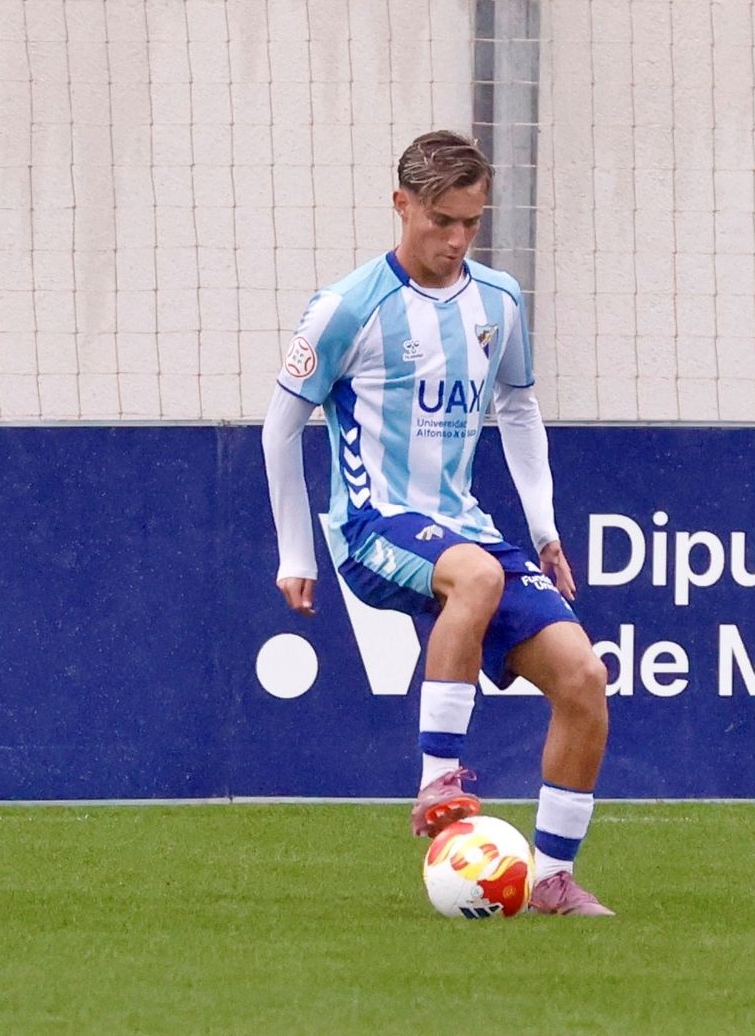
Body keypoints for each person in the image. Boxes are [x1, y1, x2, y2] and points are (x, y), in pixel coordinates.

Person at [262, 130, 613, 916]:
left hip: (464, 528)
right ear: (402, 205)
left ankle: (551, 877)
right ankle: (436, 781)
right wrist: (297, 553)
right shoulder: (346, 307)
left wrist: (545, 529)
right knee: (477, 575)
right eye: (441, 221)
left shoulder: (499, 300)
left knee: (584, 678)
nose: (456, 240)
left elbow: (518, 407)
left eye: (470, 223)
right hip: (373, 525)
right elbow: (278, 430)